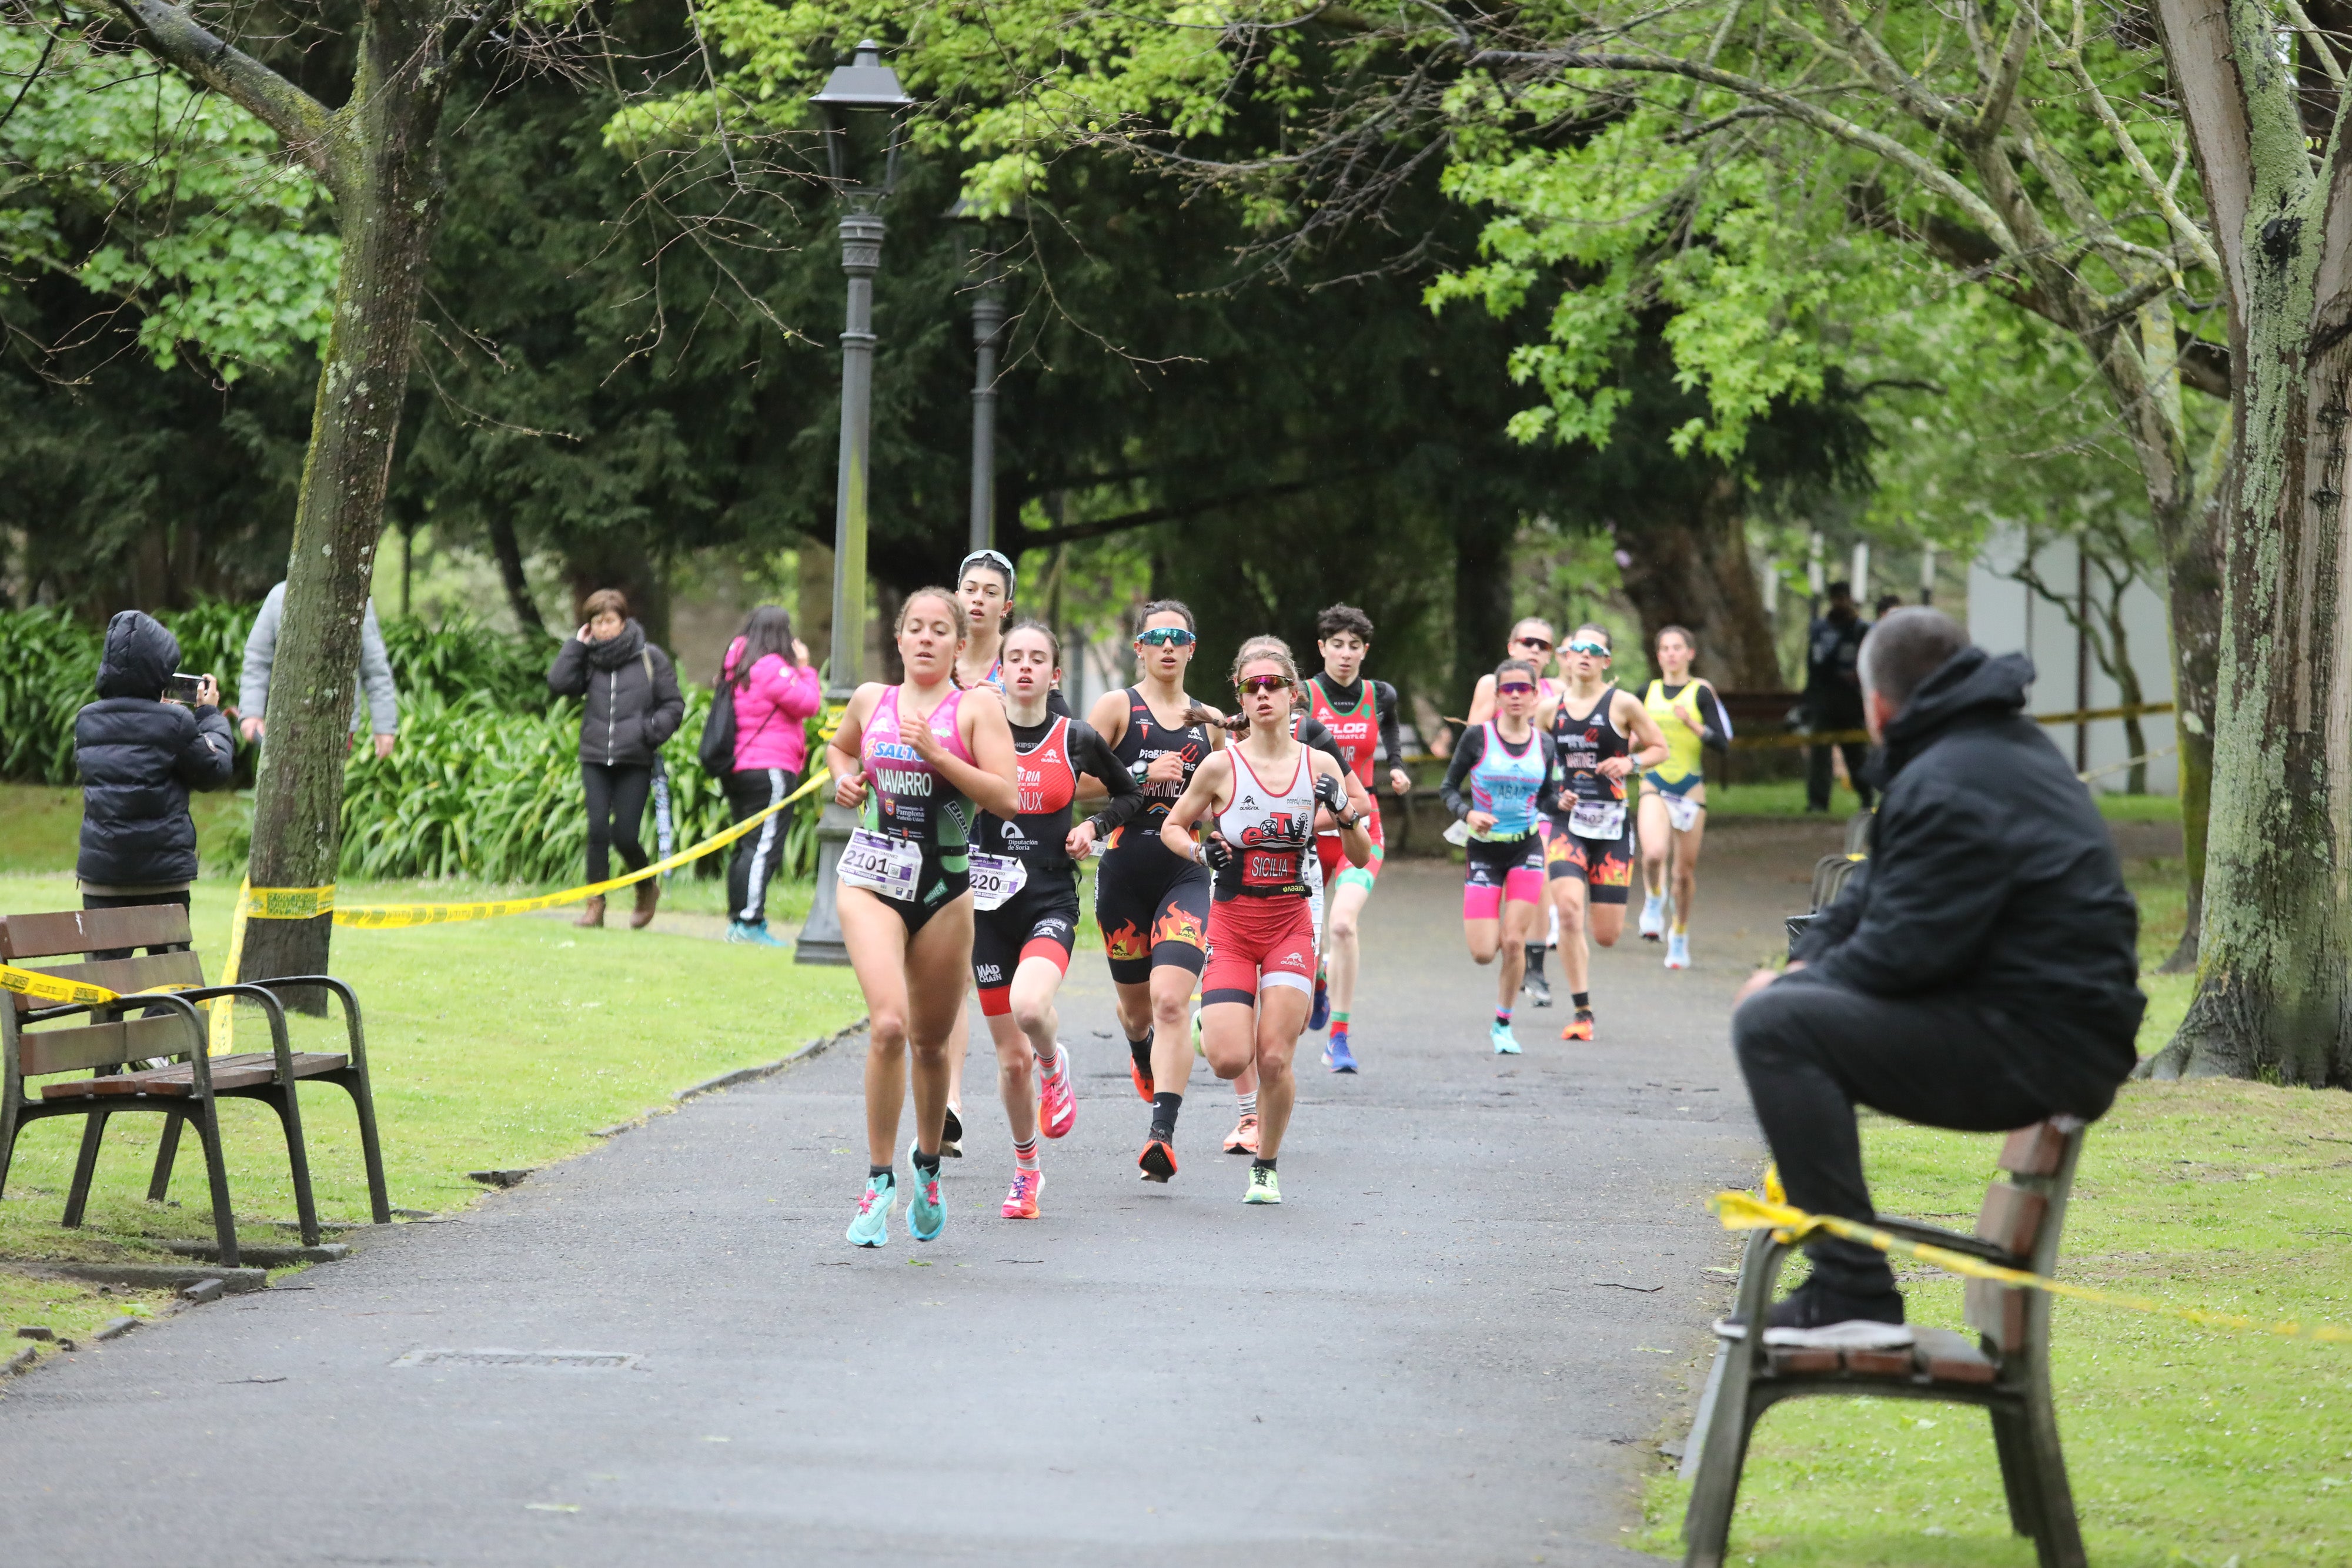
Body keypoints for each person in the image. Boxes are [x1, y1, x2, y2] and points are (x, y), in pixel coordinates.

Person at [1729, 608, 2141, 1343]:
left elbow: (1903, 956)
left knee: (1772, 1027)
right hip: (2042, 1031)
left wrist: (1787, 997)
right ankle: (1846, 1287)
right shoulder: (1973, 754)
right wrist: (1802, 966)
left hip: (2041, 1048)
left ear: (1877, 705)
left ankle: (1852, 1291)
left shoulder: (1957, 777)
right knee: (1783, 1009)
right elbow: (1867, 895)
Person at [825, 589, 1021, 1247]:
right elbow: (841, 751)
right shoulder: (871, 701)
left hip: (945, 887)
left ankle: (927, 1168)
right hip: (871, 880)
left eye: (942, 630)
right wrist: (845, 780)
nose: (928, 639)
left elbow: (1008, 796)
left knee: (931, 1045)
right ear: (901, 640)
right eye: (917, 628)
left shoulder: (976, 708)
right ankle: (878, 1182)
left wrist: (939, 756)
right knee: (887, 1025)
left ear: (960, 646)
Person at [1160, 636, 1374, 1202]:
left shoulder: (1319, 764)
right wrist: (1202, 853)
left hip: (1289, 923)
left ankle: (1266, 1164)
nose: (1261, 695)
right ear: (1241, 697)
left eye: (1271, 685)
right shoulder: (1219, 766)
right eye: (1249, 687)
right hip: (1231, 923)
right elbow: (1173, 828)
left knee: (1275, 1055)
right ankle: (1224, 1014)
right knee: (1231, 1055)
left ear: (1293, 694)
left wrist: (1346, 812)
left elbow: (1360, 853)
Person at [970, 621, 1147, 1218]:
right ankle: (1026, 1171)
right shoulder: (973, 734)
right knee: (1009, 1061)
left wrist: (1092, 827)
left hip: (1048, 903)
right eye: (1013, 657)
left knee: (1029, 1009)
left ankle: (1056, 1063)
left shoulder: (1074, 737)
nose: (1024, 667)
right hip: (984, 911)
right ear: (998, 671)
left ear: (1053, 674)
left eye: (1036, 658)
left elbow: (1132, 794)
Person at [1086, 601, 1222, 1177]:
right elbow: (1071, 780)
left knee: (1171, 1003)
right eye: (1156, 637)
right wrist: (1140, 777)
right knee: (1138, 1012)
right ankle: (1138, 1049)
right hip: (1121, 870)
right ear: (1139, 647)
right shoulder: (1118, 707)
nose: (1167, 647)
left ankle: (1160, 1138)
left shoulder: (1210, 720)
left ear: (1192, 648)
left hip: (1183, 869)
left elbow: (1226, 797)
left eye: (1179, 637)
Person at [75, 612, 235, 949]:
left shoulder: (86, 721)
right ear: (159, 671)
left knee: (108, 985)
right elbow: (213, 771)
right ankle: (161, 1008)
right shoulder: (175, 722)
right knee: (168, 984)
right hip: (162, 878)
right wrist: (208, 716)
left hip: (103, 876)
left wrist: (156, 711)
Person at [1540, 626, 1669, 1041]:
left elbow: (1659, 747)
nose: (1584, 655)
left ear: (1605, 661)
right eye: (1577, 648)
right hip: (1567, 824)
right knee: (1570, 912)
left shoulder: (1623, 703)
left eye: (1594, 650)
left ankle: (1586, 997)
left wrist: (1631, 764)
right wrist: (1550, 795)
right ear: (1566, 655)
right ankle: (1583, 1011)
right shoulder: (1548, 709)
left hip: (1612, 826)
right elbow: (1531, 757)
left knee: (1607, 934)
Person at [1302, 604, 1413, 1073]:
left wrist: (1396, 766)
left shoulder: (1379, 694)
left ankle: (1340, 1038)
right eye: (1337, 644)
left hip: (1361, 822)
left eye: (1355, 646)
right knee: (1307, 941)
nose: (1346, 654)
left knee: (1343, 924)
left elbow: (1387, 727)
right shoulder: (1302, 696)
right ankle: (1318, 975)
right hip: (1307, 828)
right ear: (1322, 647)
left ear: (1365, 650)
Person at [546, 590, 686, 930]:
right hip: (595, 756)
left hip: (634, 759)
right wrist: (576, 646)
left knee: (624, 835)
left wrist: (648, 732)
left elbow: (673, 705)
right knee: (596, 830)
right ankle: (595, 905)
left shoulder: (649, 656)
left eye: (609, 621)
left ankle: (645, 887)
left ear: (623, 621)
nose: (604, 628)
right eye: (597, 622)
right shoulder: (589, 658)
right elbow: (559, 682)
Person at [1441, 660, 1558, 1055]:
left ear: (1535, 694)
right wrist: (1468, 813)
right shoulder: (1477, 738)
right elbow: (1448, 789)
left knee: (1513, 941)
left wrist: (1564, 801)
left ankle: (1503, 1023)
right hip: (1484, 851)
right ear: (1496, 696)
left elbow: (1547, 798)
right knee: (1482, 951)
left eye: (1522, 689)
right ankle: (1502, 1006)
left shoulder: (1545, 743)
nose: (1514, 695)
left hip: (1526, 849)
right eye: (1506, 689)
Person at [1465, 617, 1566, 1007]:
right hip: (1493, 803)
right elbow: (1473, 739)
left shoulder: (1557, 691)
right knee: (1487, 941)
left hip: (1537, 796)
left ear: (1552, 655)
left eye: (1544, 645)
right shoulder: (1492, 686)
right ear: (1512, 646)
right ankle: (1510, 944)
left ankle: (1536, 968)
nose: (1535, 649)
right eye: (1528, 642)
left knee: (1536, 869)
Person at [717, 606, 822, 947]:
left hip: (740, 768)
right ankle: (749, 923)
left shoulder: (737, 666)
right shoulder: (771, 668)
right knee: (763, 848)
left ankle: (739, 920)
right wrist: (805, 668)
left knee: (747, 845)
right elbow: (809, 704)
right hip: (771, 769)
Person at [1638, 625, 1734, 970]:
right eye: (1665, 648)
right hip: (1654, 781)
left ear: (1690, 654)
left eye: (1678, 648)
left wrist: (1691, 724)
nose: (1671, 654)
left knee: (1683, 873)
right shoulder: (1645, 692)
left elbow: (1723, 742)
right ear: (1659, 655)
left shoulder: (1701, 693)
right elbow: (1629, 737)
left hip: (1690, 787)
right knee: (1653, 854)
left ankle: (1679, 933)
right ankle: (1653, 897)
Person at [238, 580, 399, 760]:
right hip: (285, 724)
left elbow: (375, 669)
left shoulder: (355, 599)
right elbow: (257, 660)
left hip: (338, 727)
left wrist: (384, 727)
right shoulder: (278, 597)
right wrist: (252, 713)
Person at [1803, 580, 1874, 814]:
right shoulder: (1820, 629)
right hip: (1825, 697)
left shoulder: (1861, 629)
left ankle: (1866, 795)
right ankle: (1818, 802)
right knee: (1820, 754)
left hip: (1850, 700)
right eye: (1836, 597)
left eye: (1844, 597)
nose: (1840, 602)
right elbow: (1813, 662)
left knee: (1855, 752)